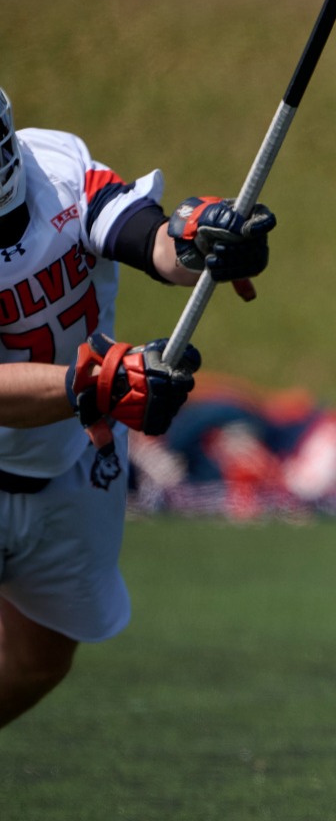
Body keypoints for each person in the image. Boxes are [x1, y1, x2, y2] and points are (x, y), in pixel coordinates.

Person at [0, 85, 274, 730]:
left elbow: (144, 239)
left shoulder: (55, 169)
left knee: (39, 659)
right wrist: (92, 384)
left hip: (71, 463)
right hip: (47, 432)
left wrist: (201, 243)